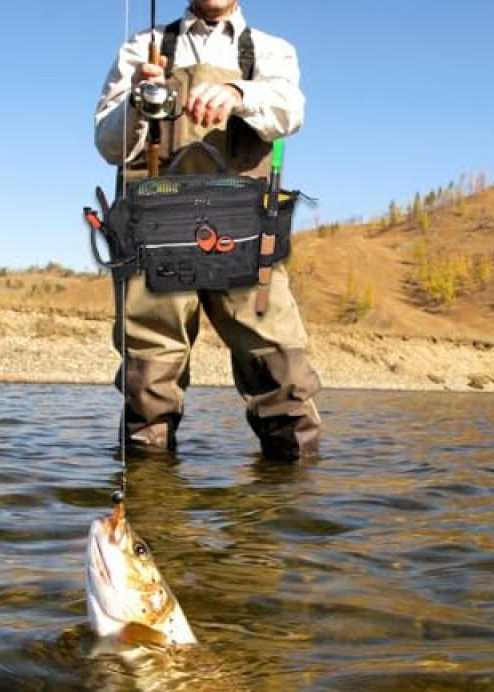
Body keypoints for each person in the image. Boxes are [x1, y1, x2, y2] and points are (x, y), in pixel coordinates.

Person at [94, 0, 321, 461]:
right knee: (147, 387)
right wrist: (139, 102)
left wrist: (239, 94)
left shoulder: (273, 51)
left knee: (283, 376)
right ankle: (150, 516)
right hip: (155, 232)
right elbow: (108, 144)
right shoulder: (142, 48)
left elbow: (290, 111)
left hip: (243, 230)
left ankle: (287, 520)